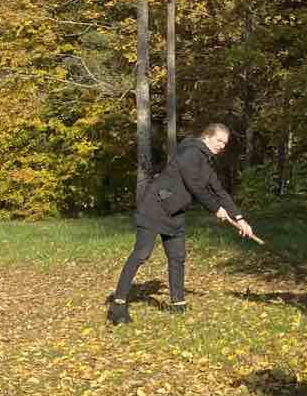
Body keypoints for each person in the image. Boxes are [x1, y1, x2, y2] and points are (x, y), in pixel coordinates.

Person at [108, 123, 253, 324]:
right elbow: (195, 187)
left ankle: (178, 303)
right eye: (219, 140)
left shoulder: (205, 162)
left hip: (175, 214)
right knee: (141, 254)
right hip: (154, 209)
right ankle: (117, 306)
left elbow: (219, 191)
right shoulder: (190, 153)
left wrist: (239, 218)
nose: (222, 146)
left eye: (225, 143)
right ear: (207, 136)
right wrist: (216, 209)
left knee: (177, 257)